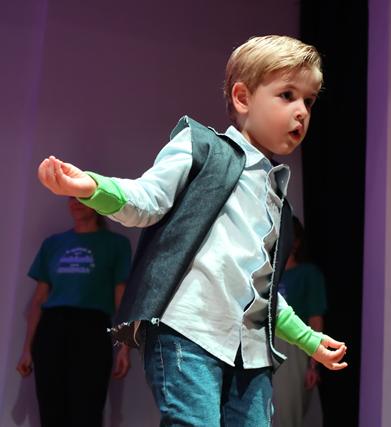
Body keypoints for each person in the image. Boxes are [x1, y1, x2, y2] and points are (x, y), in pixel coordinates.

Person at [36, 35, 348, 426]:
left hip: (250, 350)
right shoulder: (201, 147)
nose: (301, 111)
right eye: (287, 95)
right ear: (242, 98)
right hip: (190, 330)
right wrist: (93, 187)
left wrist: (308, 340)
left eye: (309, 100)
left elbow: (261, 293)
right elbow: (147, 199)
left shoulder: (277, 200)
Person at [16, 197, 132, 427]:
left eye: (83, 198)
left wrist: (125, 347)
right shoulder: (53, 244)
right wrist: (27, 349)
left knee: (87, 409)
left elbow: (123, 300)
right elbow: (39, 299)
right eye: (71, 198)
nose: (76, 203)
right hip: (51, 328)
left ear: (97, 202)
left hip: (92, 329)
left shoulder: (116, 245)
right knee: (51, 409)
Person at [272, 216, 328, 427]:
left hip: (292, 349)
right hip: (262, 346)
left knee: (287, 413)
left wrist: (314, 365)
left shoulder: (307, 274)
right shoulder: (265, 275)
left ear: (295, 241)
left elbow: (315, 319)